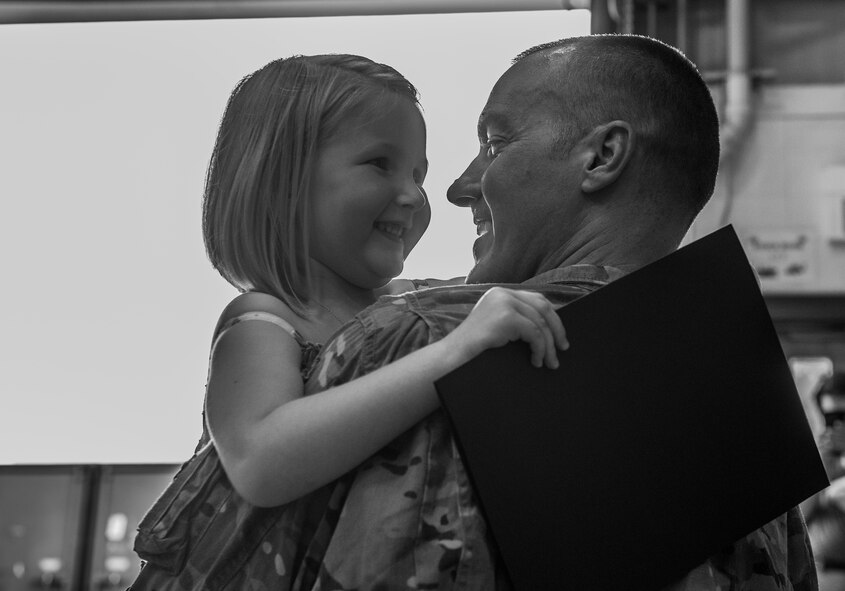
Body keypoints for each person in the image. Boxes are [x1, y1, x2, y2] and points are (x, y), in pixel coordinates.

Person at [295, 35, 818, 589]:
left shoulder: (424, 342)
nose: (457, 188)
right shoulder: (748, 410)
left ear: (602, 157)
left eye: (496, 144)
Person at [131, 53, 567, 590]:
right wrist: (454, 354)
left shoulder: (414, 304)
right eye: (380, 165)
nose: (412, 195)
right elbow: (260, 460)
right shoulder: (262, 321)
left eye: (418, 174)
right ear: (282, 182)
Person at [803, 371, 845, 590]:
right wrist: (819, 471)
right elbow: (801, 517)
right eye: (830, 418)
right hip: (821, 573)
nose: (837, 426)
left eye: (843, 417)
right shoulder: (816, 456)